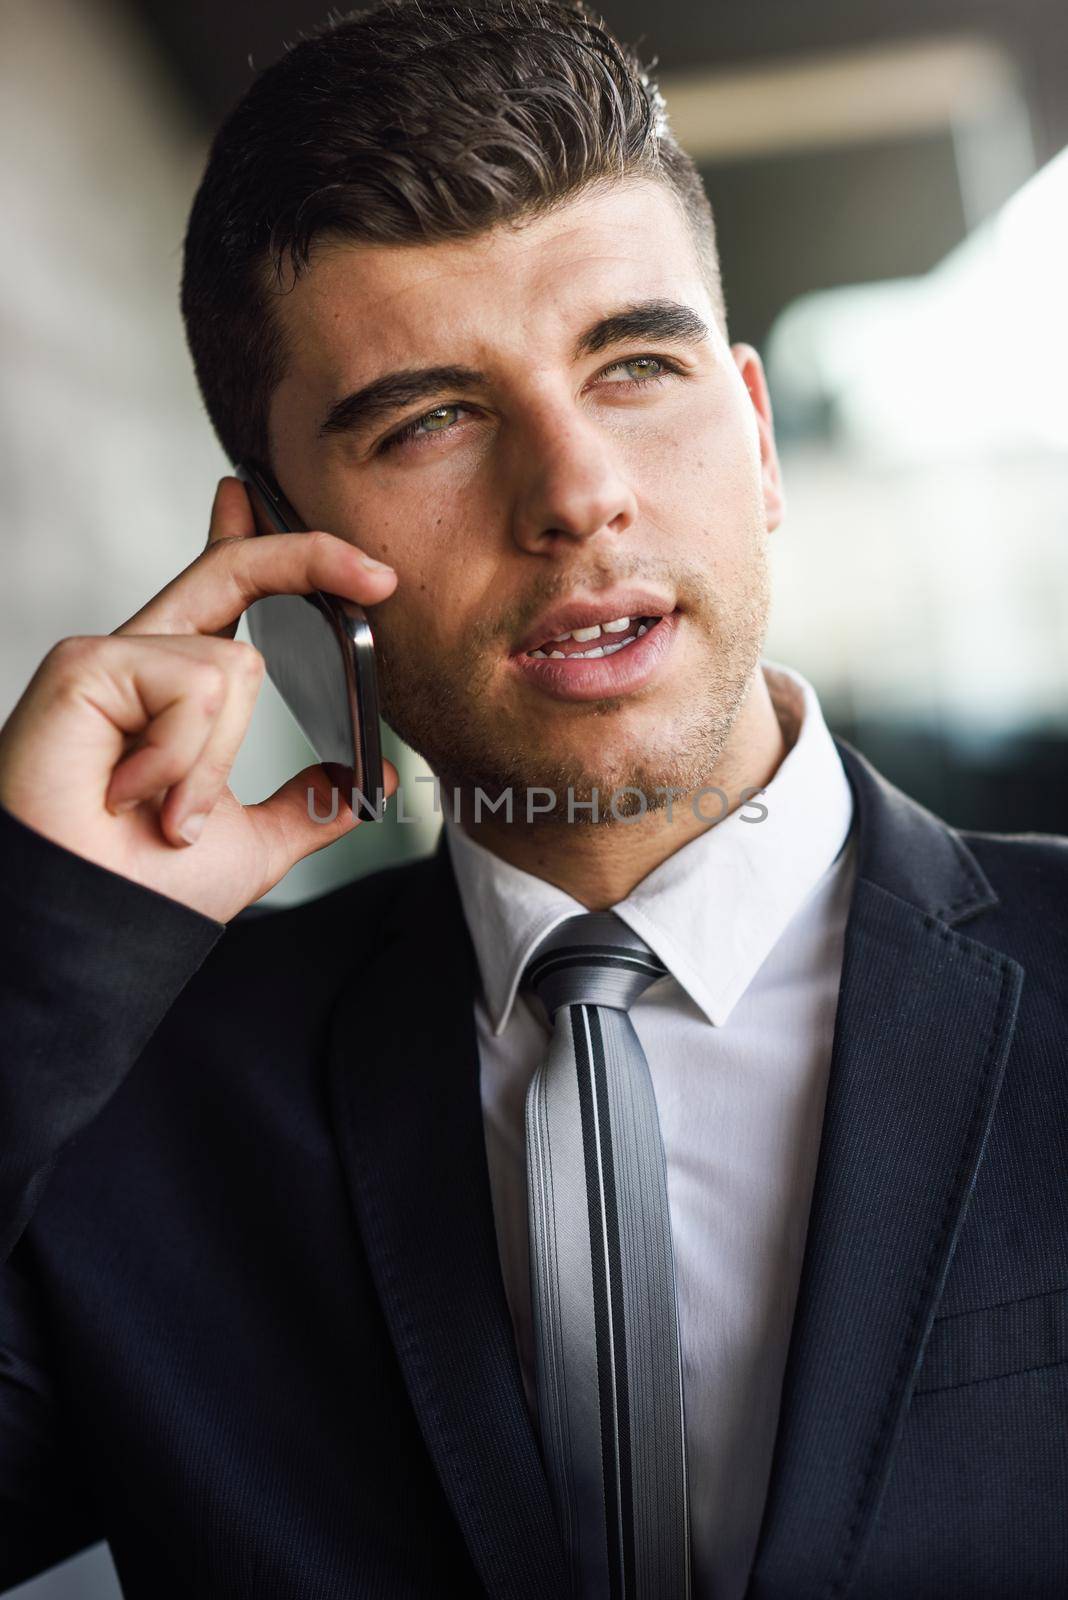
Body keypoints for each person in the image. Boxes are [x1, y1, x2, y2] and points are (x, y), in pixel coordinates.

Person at [1, 2, 1065, 1596]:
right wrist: (40, 944)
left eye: (636, 365)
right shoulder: (135, 1095)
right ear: (273, 547)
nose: (574, 494)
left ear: (759, 442)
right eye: (430, 419)